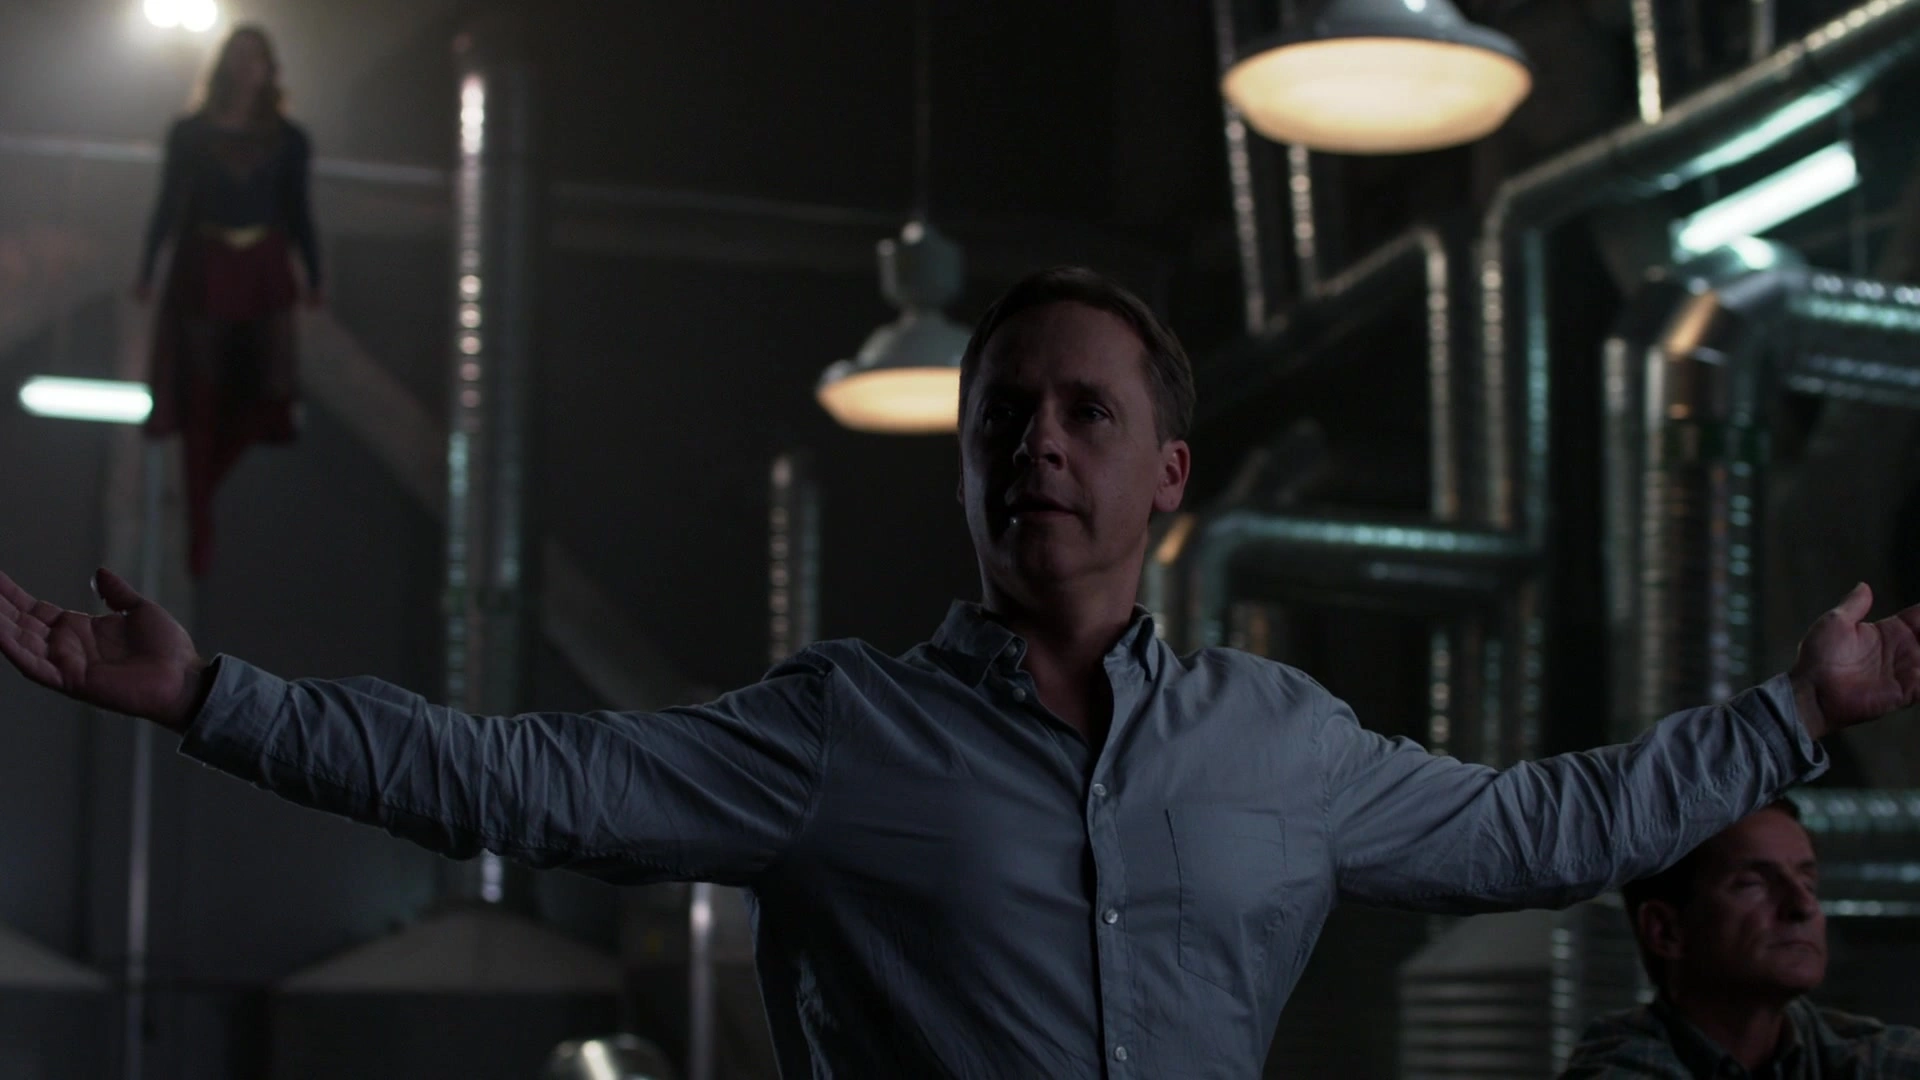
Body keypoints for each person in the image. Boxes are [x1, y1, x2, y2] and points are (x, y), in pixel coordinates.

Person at [5, 267, 1920, 1077]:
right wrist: (210, 697)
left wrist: (1799, 710)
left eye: (1085, 415)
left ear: (1169, 477)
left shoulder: (1286, 746)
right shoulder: (839, 734)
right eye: (1003, 417)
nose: (1037, 446)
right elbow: (525, 780)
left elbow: (1549, 827)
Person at [135, 24, 321, 578]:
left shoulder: (289, 139)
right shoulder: (190, 133)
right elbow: (168, 204)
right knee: (201, 396)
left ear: (268, 69)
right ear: (221, 66)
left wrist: (314, 274)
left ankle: (202, 496)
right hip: (205, 264)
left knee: (270, 392)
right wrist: (147, 269)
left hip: (263, 266)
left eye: (254, 56)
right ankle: (199, 516)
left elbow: (298, 209)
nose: (245, 66)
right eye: (236, 55)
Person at [1559, 800, 1920, 1078]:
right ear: (1665, 929)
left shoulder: (1857, 1053)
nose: (1803, 906)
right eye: (1752, 884)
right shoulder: (1624, 1063)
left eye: (1808, 883)